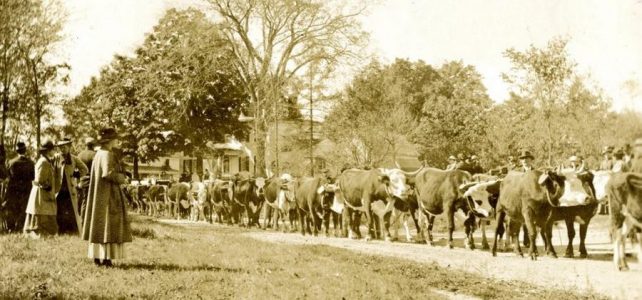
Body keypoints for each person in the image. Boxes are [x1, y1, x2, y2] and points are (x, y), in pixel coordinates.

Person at [82, 128, 132, 267]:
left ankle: (98, 257)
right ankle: (106, 258)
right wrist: (122, 178)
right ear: (110, 141)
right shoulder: (107, 154)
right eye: (115, 139)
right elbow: (107, 173)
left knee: (100, 225)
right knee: (108, 225)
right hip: (108, 196)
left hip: (100, 195)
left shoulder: (98, 154)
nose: (117, 141)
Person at [53, 137, 88, 235]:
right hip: (58, 190)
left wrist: (77, 174)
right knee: (59, 211)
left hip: (70, 189)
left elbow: (85, 169)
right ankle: (59, 231)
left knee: (71, 211)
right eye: (60, 147)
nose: (62, 149)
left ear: (69, 147)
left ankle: (72, 231)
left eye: (64, 147)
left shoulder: (74, 159)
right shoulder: (56, 158)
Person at [23, 140, 58, 238]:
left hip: (43, 191)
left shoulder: (45, 160)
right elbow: (40, 179)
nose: (54, 151)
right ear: (48, 151)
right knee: (41, 212)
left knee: (44, 211)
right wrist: (47, 185)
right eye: (52, 149)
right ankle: (38, 234)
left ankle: (43, 234)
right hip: (41, 192)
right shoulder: (44, 162)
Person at [1, 142, 35, 232]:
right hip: (26, 190)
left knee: (13, 208)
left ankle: (12, 228)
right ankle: (21, 227)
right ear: (25, 150)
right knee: (24, 209)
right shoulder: (31, 163)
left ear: (17, 151)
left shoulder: (11, 163)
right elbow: (33, 177)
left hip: (14, 190)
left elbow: (8, 177)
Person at [77, 137, 96, 221]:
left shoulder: (80, 155)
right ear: (93, 145)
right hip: (90, 181)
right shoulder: (94, 155)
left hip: (80, 181)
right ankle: (84, 220)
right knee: (88, 202)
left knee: (81, 201)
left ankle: (80, 219)